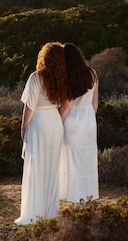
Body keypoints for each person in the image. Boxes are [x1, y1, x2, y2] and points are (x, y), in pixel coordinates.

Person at [15, 42, 69, 225]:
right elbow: (66, 106)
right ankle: (50, 212)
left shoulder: (36, 78)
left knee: (36, 168)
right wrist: (57, 123)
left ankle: (33, 213)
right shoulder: (63, 79)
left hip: (39, 123)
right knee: (51, 169)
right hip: (55, 122)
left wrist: (23, 127)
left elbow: (29, 106)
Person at [59, 43, 99, 203]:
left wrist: (58, 124)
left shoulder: (68, 76)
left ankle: (74, 196)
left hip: (72, 121)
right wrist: (89, 117)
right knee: (87, 159)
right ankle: (87, 196)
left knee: (71, 160)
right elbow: (95, 103)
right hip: (89, 121)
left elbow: (66, 107)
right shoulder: (92, 74)